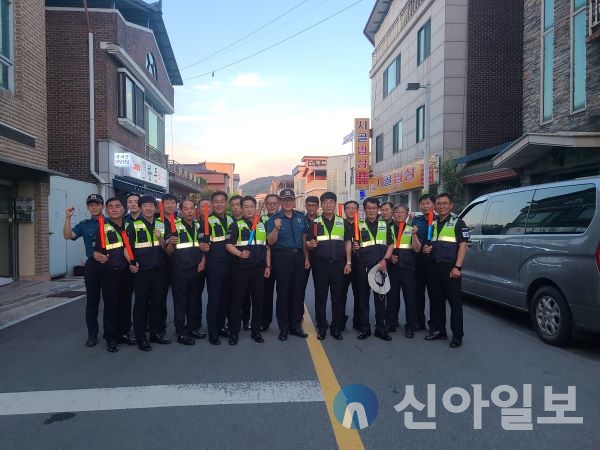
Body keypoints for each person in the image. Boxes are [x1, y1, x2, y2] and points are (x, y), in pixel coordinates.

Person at [423, 193, 469, 348]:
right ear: (435, 206)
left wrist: (458, 267)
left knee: (454, 303)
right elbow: (430, 245)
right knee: (436, 301)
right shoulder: (433, 224)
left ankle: (457, 336)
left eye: (444, 203)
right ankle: (439, 331)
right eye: (438, 203)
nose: (441, 206)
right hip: (434, 267)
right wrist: (426, 249)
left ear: (451, 205)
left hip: (450, 268)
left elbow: (463, 246)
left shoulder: (458, 223)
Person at [306, 192, 352, 340]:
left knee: (337, 297)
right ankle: (322, 327)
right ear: (321, 205)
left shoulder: (342, 222)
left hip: (339, 265)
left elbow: (347, 243)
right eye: (325, 202)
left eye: (331, 202)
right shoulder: (315, 222)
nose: (328, 205)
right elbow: (307, 242)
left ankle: (336, 327)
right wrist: (310, 244)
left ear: (335, 204)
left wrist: (348, 262)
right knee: (321, 297)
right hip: (320, 265)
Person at [126, 195, 170, 351]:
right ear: (140, 207)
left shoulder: (162, 224)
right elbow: (127, 247)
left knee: (158, 303)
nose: (148, 208)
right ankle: (141, 338)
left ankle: (155, 334)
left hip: (159, 269)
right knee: (141, 304)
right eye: (144, 205)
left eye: (151, 205)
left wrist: (161, 239)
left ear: (156, 208)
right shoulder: (133, 225)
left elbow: (167, 249)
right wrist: (131, 263)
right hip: (142, 271)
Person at [226, 195, 270, 345]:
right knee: (237, 301)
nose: (249, 209)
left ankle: (255, 331)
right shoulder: (235, 225)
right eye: (246, 207)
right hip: (241, 269)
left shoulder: (261, 224)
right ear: (241, 208)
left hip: (258, 268)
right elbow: (228, 245)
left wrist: (268, 266)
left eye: (252, 206)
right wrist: (240, 254)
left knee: (258, 301)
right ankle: (233, 332)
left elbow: (266, 246)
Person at [267, 189, 310, 341]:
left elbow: (304, 240)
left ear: (294, 201)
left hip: (298, 256)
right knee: (283, 292)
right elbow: (270, 242)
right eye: (284, 200)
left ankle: (296, 326)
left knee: (297, 293)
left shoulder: (300, 217)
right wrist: (276, 229)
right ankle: (283, 328)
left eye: (290, 200)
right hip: (281, 257)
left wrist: (306, 258)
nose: (288, 202)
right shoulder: (274, 219)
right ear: (280, 202)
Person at [92, 197, 134, 352]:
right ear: (106, 210)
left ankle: (124, 333)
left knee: (125, 304)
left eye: (118, 206)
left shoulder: (129, 226)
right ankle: (111, 337)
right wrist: (97, 255)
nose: (115, 209)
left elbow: (129, 248)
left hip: (126, 272)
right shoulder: (102, 227)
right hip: (110, 272)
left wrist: (132, 264)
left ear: (123, 209)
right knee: (111, 306)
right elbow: (97, 250)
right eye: (111, 207)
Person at [63, 193, 105, 347]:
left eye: (96, 204)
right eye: (91, 205)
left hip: (109, 265)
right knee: (92, 302)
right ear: (88, 207)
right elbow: (68, 235)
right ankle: (92, 335)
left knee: (112, 301)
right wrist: (68, 217)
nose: (94, 207)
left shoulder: (110, 223)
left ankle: (110, 332)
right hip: (93, 266)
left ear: (102, 206)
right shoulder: (84, 224)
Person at [165, 199, 206, 346]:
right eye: (186, 209)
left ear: (195, 210)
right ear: (181, 210)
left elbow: (202, 246)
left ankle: (193, 328)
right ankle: (181, 333)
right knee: (181, 303)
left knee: (193, 301)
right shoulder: (173, 225)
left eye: (191, 209)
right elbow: (168, 252)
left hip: (196, 269)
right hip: (179, 270)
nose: (189, 211)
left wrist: (203, 261)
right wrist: (170, 243)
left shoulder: (198, 225)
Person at [353, 197, 394, 341]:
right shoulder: (358, 225)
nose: (371, 210)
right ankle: (365, 329)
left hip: (380, 268)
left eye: (374, 208)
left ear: (378, 210)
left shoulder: (385, 225)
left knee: (380, 300)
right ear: (364, 210)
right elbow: (352, 245)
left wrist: (385, 259)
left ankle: (380, 329)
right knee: (363, 299)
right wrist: (354, 247)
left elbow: (390, 244)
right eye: (368, 208)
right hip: (363, 267)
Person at [201, 191, 234, 345]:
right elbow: (201, 241)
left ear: (226, 203)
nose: (219, 204)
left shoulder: (231, 220)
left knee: (225, 298)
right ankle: (213, 331)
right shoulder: (207, 221)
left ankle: (221, 326)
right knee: (214, 298)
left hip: (230, 264)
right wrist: (203, 246)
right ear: (212, 204)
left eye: (222, 201)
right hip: (214, 265)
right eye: (216, 202)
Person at [384, 205, 420, 338]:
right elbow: (384, 246)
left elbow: (417, 249)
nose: (399, 214)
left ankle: (410, 326)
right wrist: (390, 255)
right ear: (393, 214)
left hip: (408, 269)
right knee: (392, 298)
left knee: (410, 299)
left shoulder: (412, 229)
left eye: (402, 212)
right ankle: (391, 323)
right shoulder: (388, 229)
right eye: (397, 212)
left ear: (406, 215)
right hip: (393, 269)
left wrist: (415, 235)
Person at [411, 194, 437, 331]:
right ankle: (418, 320)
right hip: (418, 261)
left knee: (434, 294)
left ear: (434, 205)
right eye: (422, 204)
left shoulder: (439, 220)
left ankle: (434, 323)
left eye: (428, 203)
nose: (425, 206)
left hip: (434, 262)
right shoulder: (416, 221)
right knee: (418, 293)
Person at [159, 193, 179, 334]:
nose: (170, 205)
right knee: (160, 297)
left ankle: (181, 327)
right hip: (161, 264)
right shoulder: (158, 222)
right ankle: (160, 326)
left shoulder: (180, 221)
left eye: (173, 203)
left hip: (178, 264)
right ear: (162, 205)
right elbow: (160, 244)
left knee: (179, 297)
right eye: (167, 203)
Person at [260, 193, 280, 331]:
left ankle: (286, 321)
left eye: (274, 203)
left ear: (278, 204)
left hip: (282, 260)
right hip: (265, 260)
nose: (272, 206)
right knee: (266, 293)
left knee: (284, 292)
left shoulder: (284, 218)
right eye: (269, 203)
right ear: (265, 205)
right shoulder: (260, 220)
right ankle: (264, 321)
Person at [342, 200, 360, 331]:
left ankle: (358, 320)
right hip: (342, 265)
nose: (351, 210)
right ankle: (340, 320)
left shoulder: (362, 226)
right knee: (341, 294)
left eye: (354, 208)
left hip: (359, 264)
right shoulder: (339, 224)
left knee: (359, 294)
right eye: (348, 208)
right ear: (344, 210)